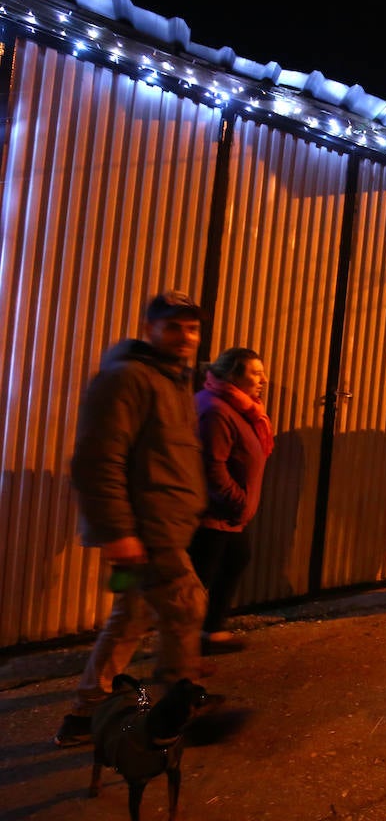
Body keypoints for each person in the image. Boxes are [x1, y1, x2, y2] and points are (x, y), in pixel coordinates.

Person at [54, 291, 220, 747]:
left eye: (192, 328)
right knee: (187, 605)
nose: (184, 336)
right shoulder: (128, 379)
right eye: (173, 326)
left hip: (164, 526)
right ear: (150, 329)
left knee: (131, 613)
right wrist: (119, 532)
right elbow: (97, 460)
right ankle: (174, 713)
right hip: (145, 530)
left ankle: (86, 712)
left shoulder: (172, 380)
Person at [188, 347, 273, 655]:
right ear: (234, 375)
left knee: (236, 559)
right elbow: (212, 466)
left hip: (232, 513)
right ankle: (186, 647)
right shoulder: (216, 410)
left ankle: (210, 631)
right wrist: (238, 501)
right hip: (215, 513)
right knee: (200, 578)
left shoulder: (242, 407)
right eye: (255, 373)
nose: (263, 379)